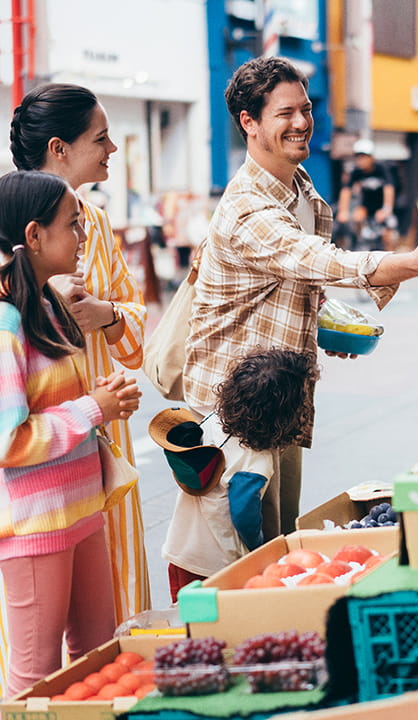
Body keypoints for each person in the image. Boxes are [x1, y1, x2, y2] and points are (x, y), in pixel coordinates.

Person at [183, 56, 418, 538]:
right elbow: (318, 259)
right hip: (235, 410)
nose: (302, 122)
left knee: (279, 538)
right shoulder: (246, 208)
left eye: (305, 108)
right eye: (285, 114)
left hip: (279, 397)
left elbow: (288, 281)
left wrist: (320, 323)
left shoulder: (299, 188)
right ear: (249, 123)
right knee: (238, 551)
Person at [9, 83, 152, 628]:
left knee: (107, 606)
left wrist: (107, 317)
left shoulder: (95, 222)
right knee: (35, 629)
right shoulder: (7, 226)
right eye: (102, 138)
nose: (112, 148)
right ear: (59, 148)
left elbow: (136, 327)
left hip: (101, 435)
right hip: (32, 451)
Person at [0, 170, 141, 697]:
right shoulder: (6, 324)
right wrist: (91, 408)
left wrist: (107, 402)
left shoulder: (49, 310)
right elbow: (8, 442)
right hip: (36, 529)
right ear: (34, 236)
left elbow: (65, 403)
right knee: (34, 677)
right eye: (73, 225)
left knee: (96, 659)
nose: (83, 236)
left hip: (82, 511)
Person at [155, 348, 319, 601]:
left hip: (181, 551)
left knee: (188, 624)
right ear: (287, 414)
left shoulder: (214, 420)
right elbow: (243, 513)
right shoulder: (256, 460)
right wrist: (259, 548)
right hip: (217, 567)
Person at [336, 138, 399, 251]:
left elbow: (389, 188)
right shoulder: (356, 171)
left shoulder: (381, 168)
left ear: (371, 157)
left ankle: (390, 256)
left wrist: (386, 209)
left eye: (363, 157)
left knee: (387, 235)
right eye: (358, 157)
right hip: (366, 206)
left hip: (382, 207)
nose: (360, 161)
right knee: (356, 217)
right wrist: (343, 211)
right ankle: (359, 244)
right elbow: (346, 191)